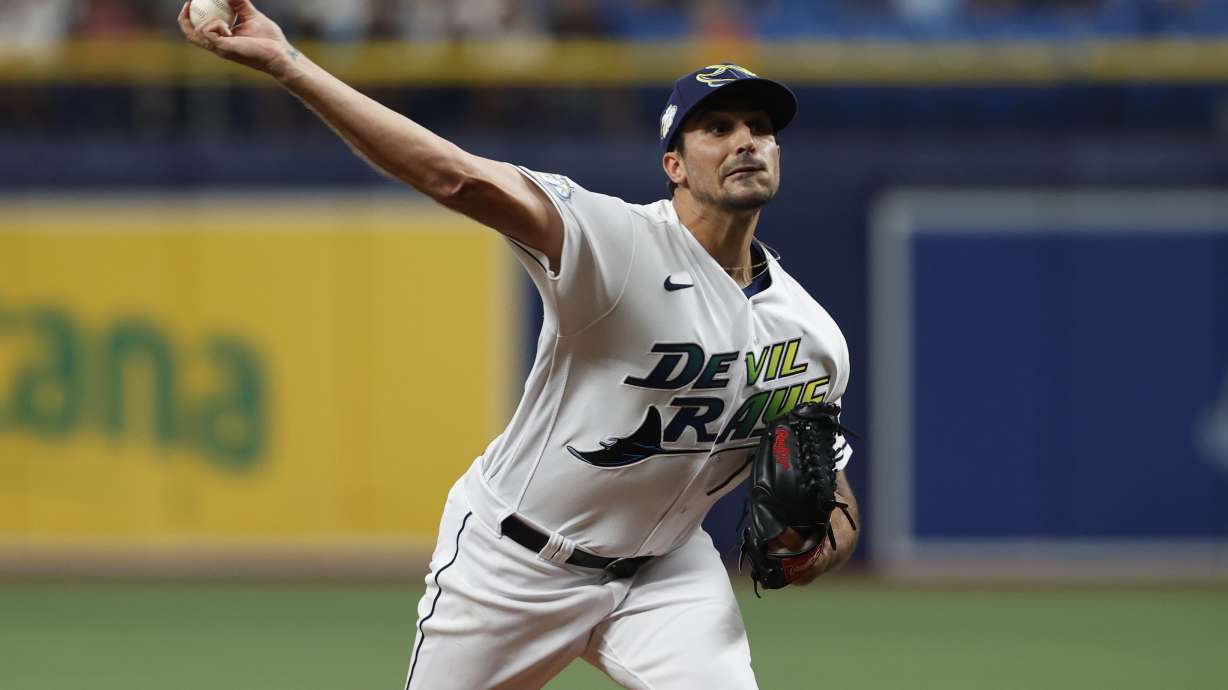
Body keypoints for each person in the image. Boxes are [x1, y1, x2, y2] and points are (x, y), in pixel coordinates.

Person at [179, 2, 860, 688]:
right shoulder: (617, 245)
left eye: (761, 128)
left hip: (666, 573)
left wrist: (820, 546)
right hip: (515, 563)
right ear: (674, 165)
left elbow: (834, 492)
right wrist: (288, 64)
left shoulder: (811, 335)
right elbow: (454, 175)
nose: (746, 141)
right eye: (718, 128)